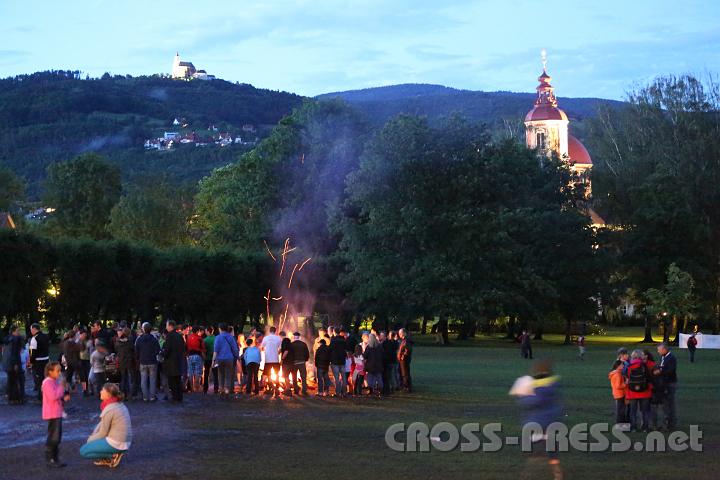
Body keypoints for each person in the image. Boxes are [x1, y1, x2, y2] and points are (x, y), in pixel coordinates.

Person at [509, 358, 563, 480]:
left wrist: (522, 396)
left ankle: (529, 474)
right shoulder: (552, 385)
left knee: (537, 452)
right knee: (551, 452)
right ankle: (557, 474)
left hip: (539, 424)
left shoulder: (539, 387)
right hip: (551, 422)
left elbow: (533, 402)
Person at [80, 383, 133, 468]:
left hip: (117, 442)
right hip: (124, 440)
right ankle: (109, 457)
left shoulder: (110, 409)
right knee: (92, 443)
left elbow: (102, 433)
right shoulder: (119, 404)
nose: (100, 392)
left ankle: (112, 456)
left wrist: (90, 439)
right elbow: (101, 424)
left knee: (83, 451)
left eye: (102, 390)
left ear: (108, 395)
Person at [42, 361, 70, 468]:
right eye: (57, 371)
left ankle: (55, 458)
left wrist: (63, 397)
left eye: (60, 370)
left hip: (57, 412)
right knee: (54, 437)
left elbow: (57, 395)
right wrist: (61, 387)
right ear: (50, 371)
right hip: (52, 413)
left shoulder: (53, 381)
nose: (59, 373)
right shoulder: (47, 382)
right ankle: (50, 459)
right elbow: (53, 396)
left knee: (57, 436)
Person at [625, 349, 653, 432]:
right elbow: (649, 378)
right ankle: (645, 427)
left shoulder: (629, 366)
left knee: (633, 411)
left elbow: (627, 379)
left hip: (632, 392)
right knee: (645, 411)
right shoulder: (645, 365)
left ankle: (633, 427)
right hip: (645, 392)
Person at [135, 322, 161, 402]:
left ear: (143, 329)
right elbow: (158, 350)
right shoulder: (154, 339)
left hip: (143, 361)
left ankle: (145, 397)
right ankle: (152, 396)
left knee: (143, 380)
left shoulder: (139, 339)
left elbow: (136, 351)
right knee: (153, 380)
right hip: (152, 361)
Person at [161, 320, 186, 402]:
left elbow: (167, 349)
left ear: (170, 326)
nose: (166, 327)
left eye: (167, 325)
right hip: (178, 361)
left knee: (172, 381)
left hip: (171, 362)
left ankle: (175, 397)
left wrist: (163, 355)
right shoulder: (179, 336)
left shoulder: (169, 336)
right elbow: (183, 348)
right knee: (178, 380)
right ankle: (179, 397)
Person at [212, 323, 239, 395]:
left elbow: (215, 351)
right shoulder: (231, 337)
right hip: (229, 359)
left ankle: (221, 389)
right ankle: (227, 390)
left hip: (220, 359)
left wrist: (213, 361)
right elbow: (235, 349)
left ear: (220, 329)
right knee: (228, 375)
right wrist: (237, 357)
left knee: (221, 374)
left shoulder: (217, 337)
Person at [656, 343, 677, 430]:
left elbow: (670, 370)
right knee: (666, 404)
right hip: (665, 383)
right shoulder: (664, 357)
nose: (658, 352)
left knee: (669, 403)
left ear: (664, 349)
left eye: (659, 350)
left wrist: (660, 372)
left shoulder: (671, 358)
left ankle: (670, 424)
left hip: (669, 383)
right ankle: (667, 422)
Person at [3, 325, 25, 404]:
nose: (19, 332)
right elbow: (14, 353)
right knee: (16, 380)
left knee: (11, 380)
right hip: (14, 363)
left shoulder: (8, 338)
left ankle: (10, 396)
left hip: (8, 363)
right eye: (18, 331)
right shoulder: (15, 340)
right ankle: (16, 398)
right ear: (14, 331)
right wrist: (15, 363)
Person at [29, 323, 50, 400]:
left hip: (38, 362)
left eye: (31, 329)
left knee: (39, 379)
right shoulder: (46, 336)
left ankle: (41, 397)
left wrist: (31, 363)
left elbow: (32, 353)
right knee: (46, 378)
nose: (30, 331)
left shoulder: (34, 339)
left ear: (34, 329)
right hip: (46, 360)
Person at [113, 327, 136, 399]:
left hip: (121, 362)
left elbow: (116, 350)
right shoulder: (130, 342)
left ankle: (124, 394)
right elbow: (133, 350)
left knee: (123, 378)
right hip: (129, 362)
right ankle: (131, 394)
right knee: (131, 378)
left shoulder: (117, 342)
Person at [185, 326, 206, 393]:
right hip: (198, 356)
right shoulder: (200, 338)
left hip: (190, 356)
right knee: (197, 373)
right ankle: (196, 388)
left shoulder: (188, 338)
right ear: (197, 331)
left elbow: (186, 346)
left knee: (190, 373)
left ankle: (191, 389)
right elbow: (203, 348)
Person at [329, 329, 348, 397]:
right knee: (344, 377)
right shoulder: (344, 341)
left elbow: (329, 349)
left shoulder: (333, 340)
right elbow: (346, 350)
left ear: (334, 332)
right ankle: (344, 392)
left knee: (336, 378)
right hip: (342, 361)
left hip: (335, 361)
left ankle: (338, 392)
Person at [608, 360, 626, 426]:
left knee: (620, 411)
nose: (623, 366)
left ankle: (621, 427)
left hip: (616, 394)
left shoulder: (614, 373)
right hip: (620, 394)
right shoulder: (618, 374)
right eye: (622, 365)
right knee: (621, 412)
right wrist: (625, 383)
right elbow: (618, 386)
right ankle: (621, 427)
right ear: (618, 366)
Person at [202, 326, 219, 394]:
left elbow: (204, 350)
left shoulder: (205, 340)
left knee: (206, 374)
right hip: (215, 359)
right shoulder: (216, 338)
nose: (205, 332)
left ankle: (205, 389)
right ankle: (216, 389)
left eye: (206, 331)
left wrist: (204, 357)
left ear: (208, 331)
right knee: (215, 374)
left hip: (207, 358)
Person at [397, 328, 413, 393]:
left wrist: (402, 357)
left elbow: (407, 351)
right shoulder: (404, 340)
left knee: (405, 373)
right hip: (404, 359)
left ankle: (407, 387)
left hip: (404, 360)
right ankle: (407, 386)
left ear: (403, 333)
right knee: (405, 373)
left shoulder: (406, 340)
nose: (399, 334)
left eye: (400, 333)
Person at [78, 330, 92, 397]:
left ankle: (88, 389)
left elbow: (91, 351)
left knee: (87, 376)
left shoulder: (89, 342)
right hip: (81, 360)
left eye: (83, 334)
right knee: (83, 377)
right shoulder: (79, 341)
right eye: (81, 334)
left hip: (87, 360)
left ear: (86, 335)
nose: (82, 336)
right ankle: (84, 390)